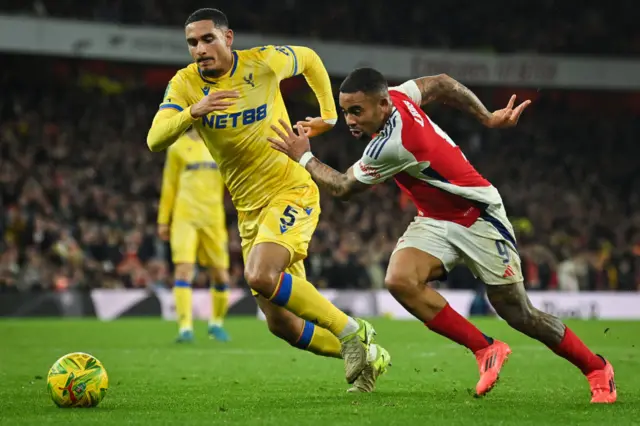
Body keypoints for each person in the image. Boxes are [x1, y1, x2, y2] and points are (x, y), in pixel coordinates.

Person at [268, 68, 616, 404]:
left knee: (518, 313)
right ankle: (486, 348)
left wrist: (304, 156)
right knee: (401, 280)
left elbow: (344, 187)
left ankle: (597, 368)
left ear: (383, 105)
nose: (350, 121)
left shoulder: (393, 143)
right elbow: (443, 83)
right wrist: (487, 117)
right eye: (345, 112)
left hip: (478, 216)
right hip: (435, 218)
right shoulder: (401, 96)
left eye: (357, 111)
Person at [147, 8, 390, 392]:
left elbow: (308, 57)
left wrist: (328, 116)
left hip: (291, 188)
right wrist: (193, 111)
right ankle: (369, 354)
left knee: (260, 274)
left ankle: (353, 330)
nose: (199, 49)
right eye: (192, 42)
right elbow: (155, 138)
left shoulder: (262, 62)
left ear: (227, 38)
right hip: (249, 209)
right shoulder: (184, 85)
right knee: (282, 325)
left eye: (207, 39)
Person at [157, 127, 231, 343]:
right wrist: (163, 220)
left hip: (213, 217)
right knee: (183, 269)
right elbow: (169, 184)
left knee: (220, 274)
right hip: (184, 216)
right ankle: (185, 328)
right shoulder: (177, 146)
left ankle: (216, 324)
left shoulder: (220, 143)